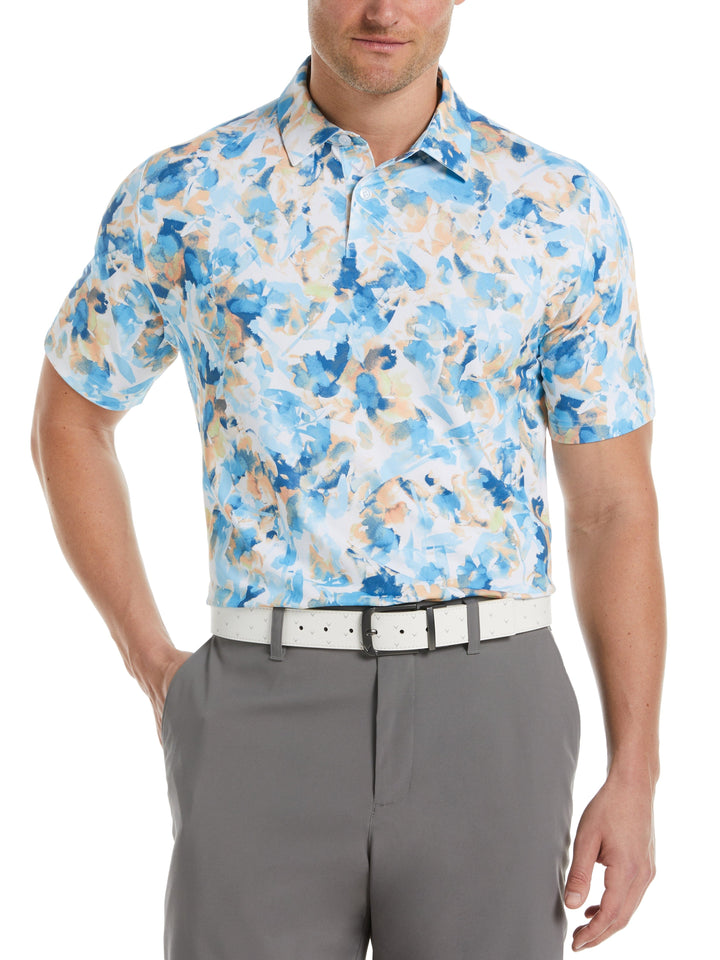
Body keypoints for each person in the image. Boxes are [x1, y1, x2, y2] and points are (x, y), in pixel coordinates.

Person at [31, 1, 666, 956]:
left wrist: (636, 771)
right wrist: (151, 661)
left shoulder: (557, 208)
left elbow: (612, 506)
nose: (383, 8)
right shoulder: (186, 193)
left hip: (492, 712)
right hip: (258, 707)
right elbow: (72, 419)